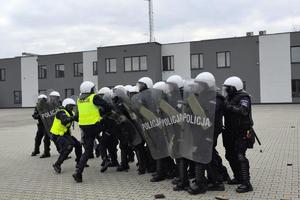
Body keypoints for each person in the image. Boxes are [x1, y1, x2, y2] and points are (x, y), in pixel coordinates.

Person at [223, 76, 254, 193]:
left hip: (242, 131)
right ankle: (238, 177)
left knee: (240, 156)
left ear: (234, 88)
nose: (226, 90)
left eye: (228, 88)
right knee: (230, 155)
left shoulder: (244, 97)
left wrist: (229, 107)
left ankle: (247, 183)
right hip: (230, 131)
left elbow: (243, 110)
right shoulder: (228, 97)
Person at [72, 81, 109, 183]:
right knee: (108, 133)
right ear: (90, 89)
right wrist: (103, 111)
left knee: (87, 151)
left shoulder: (79, 100)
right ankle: (105, 157)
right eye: (93, 88)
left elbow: (80, 113)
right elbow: (106, 105)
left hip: (85, 127)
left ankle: (78, 173)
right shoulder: (94, 97)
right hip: (96, 125)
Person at [51, 98, 82, 173]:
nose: (72, 108)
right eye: (70, 106)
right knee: (69, 147)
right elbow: (64, 121)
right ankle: (57, 164)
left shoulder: (71, 113)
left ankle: (79, 163)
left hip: (65, 134)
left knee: (78, 145)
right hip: (57, 135)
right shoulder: (61, 112)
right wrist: (74, 117)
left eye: (73, 106)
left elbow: (78, 119)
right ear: (66, 106)